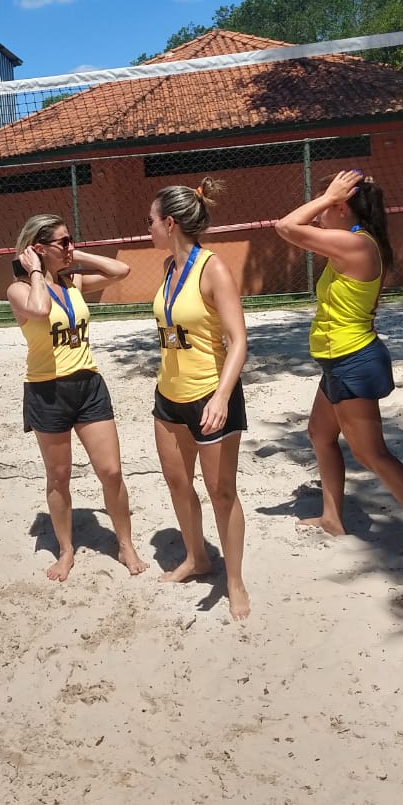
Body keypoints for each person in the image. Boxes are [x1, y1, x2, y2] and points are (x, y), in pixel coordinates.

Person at [275, 169, 403, 556]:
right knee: (320, 436)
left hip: (353, 358)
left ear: (341, 207)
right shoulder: (350, 242)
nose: (321, 210)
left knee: (370, 453)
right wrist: (332, 197)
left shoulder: (354, 244)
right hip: (338, 360)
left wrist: (327, 196)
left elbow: (287, 226)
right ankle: (332, 518)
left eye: (328, 204)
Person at [8, 215, 147, 582]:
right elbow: (38, 309)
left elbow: (122, 269)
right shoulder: (19, 290)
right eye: (63, 242)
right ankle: (66, 550)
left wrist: (72, 254)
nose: (70, 247)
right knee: (59, 477)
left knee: (111, 471)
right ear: (37, 249)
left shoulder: (75, 281)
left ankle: (125, 543)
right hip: (46, 390)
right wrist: (38, 270)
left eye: (72, 241)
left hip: (88, 385)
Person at [147, 179, 251, 620]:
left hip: (211, 396)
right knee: (177, 482)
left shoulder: (214, 269)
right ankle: (196, 557)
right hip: (168, 396)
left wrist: (222, 396)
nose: (146, 228)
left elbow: (238, 340)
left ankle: (234, 581)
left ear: (169, 223)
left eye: (150, 221)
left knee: (221, 492)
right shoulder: (170, 268)